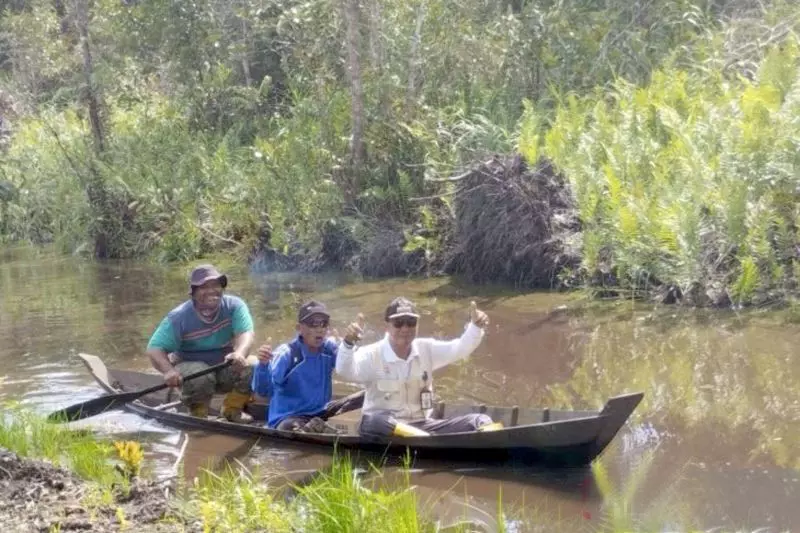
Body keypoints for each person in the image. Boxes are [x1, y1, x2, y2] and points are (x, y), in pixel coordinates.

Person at [335, 297, 496, 437]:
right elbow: (345, 370)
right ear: (387, 326)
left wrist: (475, 327)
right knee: (372, 421)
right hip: (384, 429)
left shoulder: (427, 349)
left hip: (421, 426)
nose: (405, 328)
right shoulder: (371, 354)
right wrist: (348, 343)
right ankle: (425, 440)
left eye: (411, 322)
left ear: (417, 324)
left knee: (480, 420)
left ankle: (425, 439)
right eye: (398, 323)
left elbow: (460, 348)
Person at [145, 264, 255, 422]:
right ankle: (198, 414)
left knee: (254, 365)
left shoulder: (234, 306)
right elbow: (154, 349)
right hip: (192, 370)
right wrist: (168, 371)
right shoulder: (179, 317)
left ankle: (232, 409)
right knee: (201, 374)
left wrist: (239, 353)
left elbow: (246, 334)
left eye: (215, 285)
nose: (211, 291)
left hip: (223, 365)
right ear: (194, 293)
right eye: (204, 287)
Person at [251, 300, 363, 432]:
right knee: (290, 427)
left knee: (363, 396)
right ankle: (319, 429)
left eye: (324, 324)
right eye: (313, 324)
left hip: (321, 412)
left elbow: (351, 368)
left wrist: (348, 343)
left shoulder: (329, 349)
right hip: (290, 417)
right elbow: (264, 392)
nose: (320, 329)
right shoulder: (287, 354)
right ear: (299, 328)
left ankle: (320, 427)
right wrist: (263, 366)